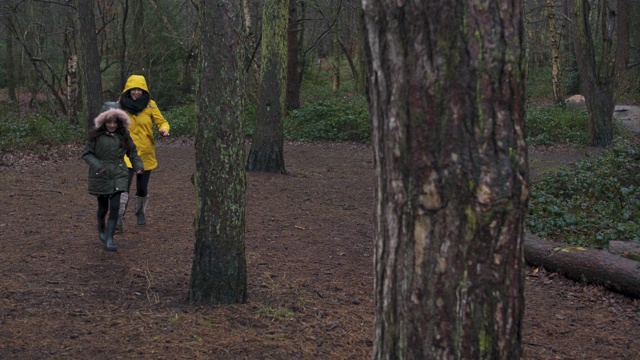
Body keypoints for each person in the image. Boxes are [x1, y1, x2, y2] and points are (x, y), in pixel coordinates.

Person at [82, 108, 144, 251]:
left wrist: (138, 166)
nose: (112, 125)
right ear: (104, 122)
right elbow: (87, 154)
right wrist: (98, 166)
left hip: (119, 173)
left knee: (115, 208)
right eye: (109, 122)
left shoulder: (123, 135)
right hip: (101, 175)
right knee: (103, 208)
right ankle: (101, 227)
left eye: (115, 122)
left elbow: (132, 152)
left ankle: (109, 239)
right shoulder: (95, 136)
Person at [117, 75, 170, 229]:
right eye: (133, 89)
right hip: (126, 153)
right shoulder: (120, 106)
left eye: (139, 89)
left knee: (142, 187)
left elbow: (162, 122)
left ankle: (140, 212)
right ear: (128, 90)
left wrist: (164, 129)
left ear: (144, 91)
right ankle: (119, 216)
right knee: (123, 186)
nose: (136, 92)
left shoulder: (150, 105)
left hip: (145, 153)